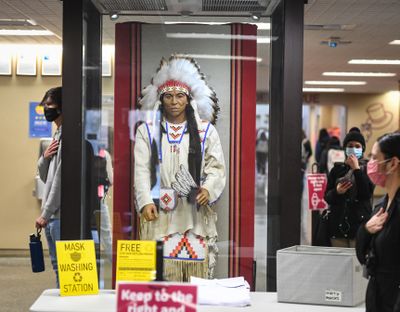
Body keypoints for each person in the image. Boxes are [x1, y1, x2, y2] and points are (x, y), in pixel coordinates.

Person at [134, 56, 226, 281]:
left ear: (188, 100)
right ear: (160, 100)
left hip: (193, 212)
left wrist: (208, 188)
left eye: (179, 96)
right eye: (168, 96)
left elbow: (217, 168)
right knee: (161, 274)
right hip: (159, 212)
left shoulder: (206, 132)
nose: (174, 101)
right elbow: (141, 170)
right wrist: (145, 200)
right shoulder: (147, 131)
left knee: (196, 278)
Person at [356, 132, 400, 312]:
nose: (370, 164)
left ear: (393, 163)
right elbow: (363, 256)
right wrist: (366, 230)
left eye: (375, 158)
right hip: (377, 297)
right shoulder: (381, 206)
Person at [324, 128, 373, 247]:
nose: (354, 149)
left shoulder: (368, 169)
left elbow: (366, 194)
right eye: (350, 145)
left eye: (357, 146)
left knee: (357, 264)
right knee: (339, 263)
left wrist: (356, 169)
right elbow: (327, 197)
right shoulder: (337, 169)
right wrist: (337, 192)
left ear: (363, 149)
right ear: (345, 148)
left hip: (359, 226)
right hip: (337, 225)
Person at [35, 87, 62, 287]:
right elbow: (46, 177)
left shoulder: (69, 136)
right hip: (53, 216)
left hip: (59, 216)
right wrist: (44, 159)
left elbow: (59, 182)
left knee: (62, 266)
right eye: (45, 104)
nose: (46, 108)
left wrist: (45, 213)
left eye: (50, 104)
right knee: (57, 265)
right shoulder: (57, 135)